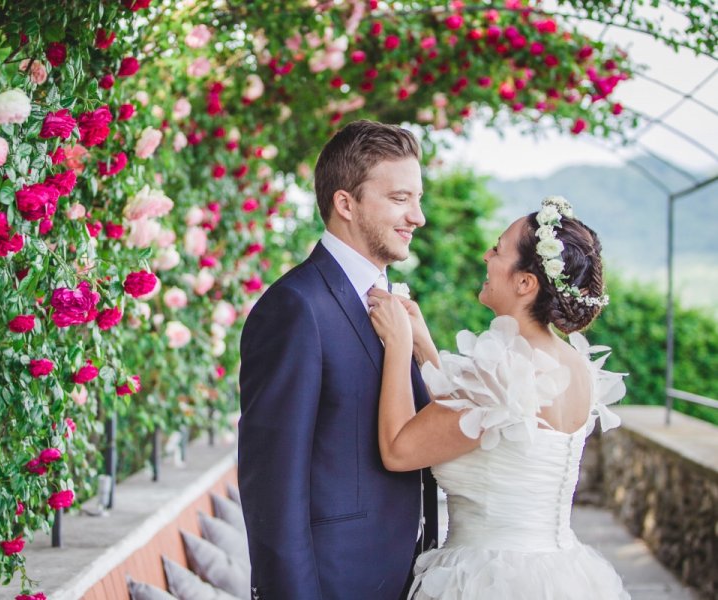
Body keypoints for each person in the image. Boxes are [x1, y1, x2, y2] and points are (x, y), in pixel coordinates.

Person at [368, 195, 629, 599]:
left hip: (486, 581)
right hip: (559, 577)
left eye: (499, 249)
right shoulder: (575, 365)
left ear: (525, 283)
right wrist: (423, 345)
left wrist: (398, 344)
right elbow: (469, 424)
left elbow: (399, 450)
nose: (487, 256)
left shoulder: (504, 368)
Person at [238, 120, 438, 600]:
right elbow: (272, 485)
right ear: (345, 203)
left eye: (418, 199)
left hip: (407, 578)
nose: (418, 217)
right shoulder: (294, 307)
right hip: (335, 582)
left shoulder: (394, 304)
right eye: (400, 199)